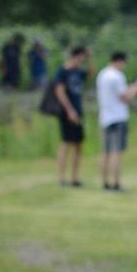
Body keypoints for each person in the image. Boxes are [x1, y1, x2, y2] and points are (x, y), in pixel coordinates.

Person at [95, 51, 137, 191]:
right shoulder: (117, 76)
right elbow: (126, 97)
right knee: (116, 152)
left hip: (104, 117)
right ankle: (116, 183)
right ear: (119, 61)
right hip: (117, 117)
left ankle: (105, 182)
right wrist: (136, 87)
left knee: (105, 151)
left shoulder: (102, 74)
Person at [52, 44, 92, 186]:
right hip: (67, 113)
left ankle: (74, 178)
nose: (81, 61)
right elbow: (59, 91)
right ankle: (61, 178)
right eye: (80, 58)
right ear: (74, 57)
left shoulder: (78, 72)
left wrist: (90, 58)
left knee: (78, 145)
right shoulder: (63, 71)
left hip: (78, 111)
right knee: (66, 143)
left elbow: (91, 73)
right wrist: (70, 110)